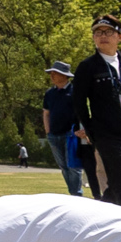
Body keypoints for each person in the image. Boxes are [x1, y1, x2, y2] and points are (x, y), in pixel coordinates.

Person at [68, 17, 121, 210]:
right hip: (106, 133)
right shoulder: (88, 67)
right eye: (98, 32)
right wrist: (89, 129)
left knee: (114, 187)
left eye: (108, 32)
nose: (103, 36)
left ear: (119, 37)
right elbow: (79, 101)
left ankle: (98, 214)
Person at [38, 60, 84, 196]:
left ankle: (76, 194)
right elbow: (46, 113)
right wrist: (48, 131)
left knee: (73, 166)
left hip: (71, 135)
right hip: (54, 135)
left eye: (55, 73)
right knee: (63, 167)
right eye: (51, 73)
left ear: (65, 75)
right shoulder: (49, 93)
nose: (52, 76)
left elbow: (82, 113)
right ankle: (72, 192)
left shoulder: (75, 91)